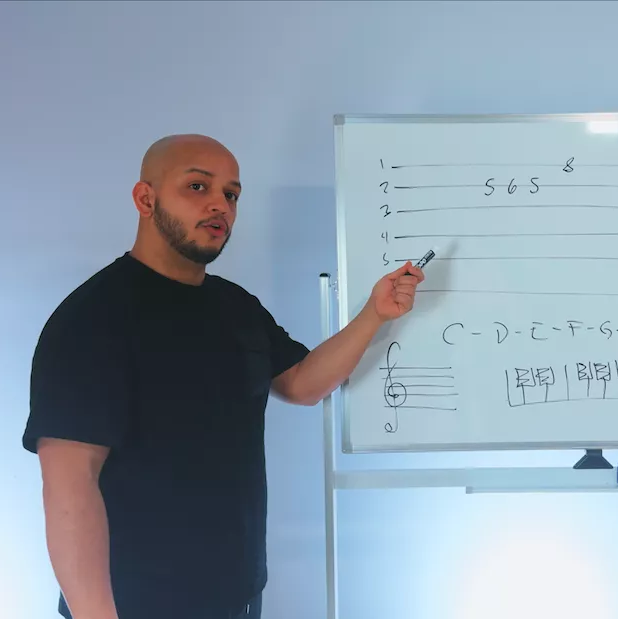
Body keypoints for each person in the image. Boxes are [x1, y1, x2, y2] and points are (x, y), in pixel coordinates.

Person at [21, 134, 424, 619]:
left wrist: (374, 314)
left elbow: (300, 382)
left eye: (231, 194)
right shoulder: (92, 319)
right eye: (197, 186)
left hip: (238, 597)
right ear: (145, 199)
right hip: (138, 605)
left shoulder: (235, 307)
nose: (220, 205)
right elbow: (70, 486)